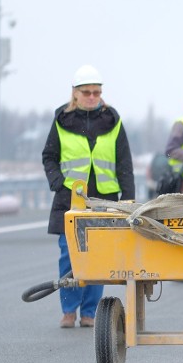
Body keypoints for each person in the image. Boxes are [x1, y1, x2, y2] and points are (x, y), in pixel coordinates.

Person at [41, 65, 135, 328]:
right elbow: (49, 156)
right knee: (68, 254)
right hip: (69, 199)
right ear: (75, 93)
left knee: (99, 255)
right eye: (87, 92)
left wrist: (128, 199)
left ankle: (90, 312)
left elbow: (123, 162)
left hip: (104, 199)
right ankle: (69, 310)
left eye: (97, 92)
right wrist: (58, 183)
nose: (92, 96)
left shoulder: (112, 120)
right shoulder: (61, 120)